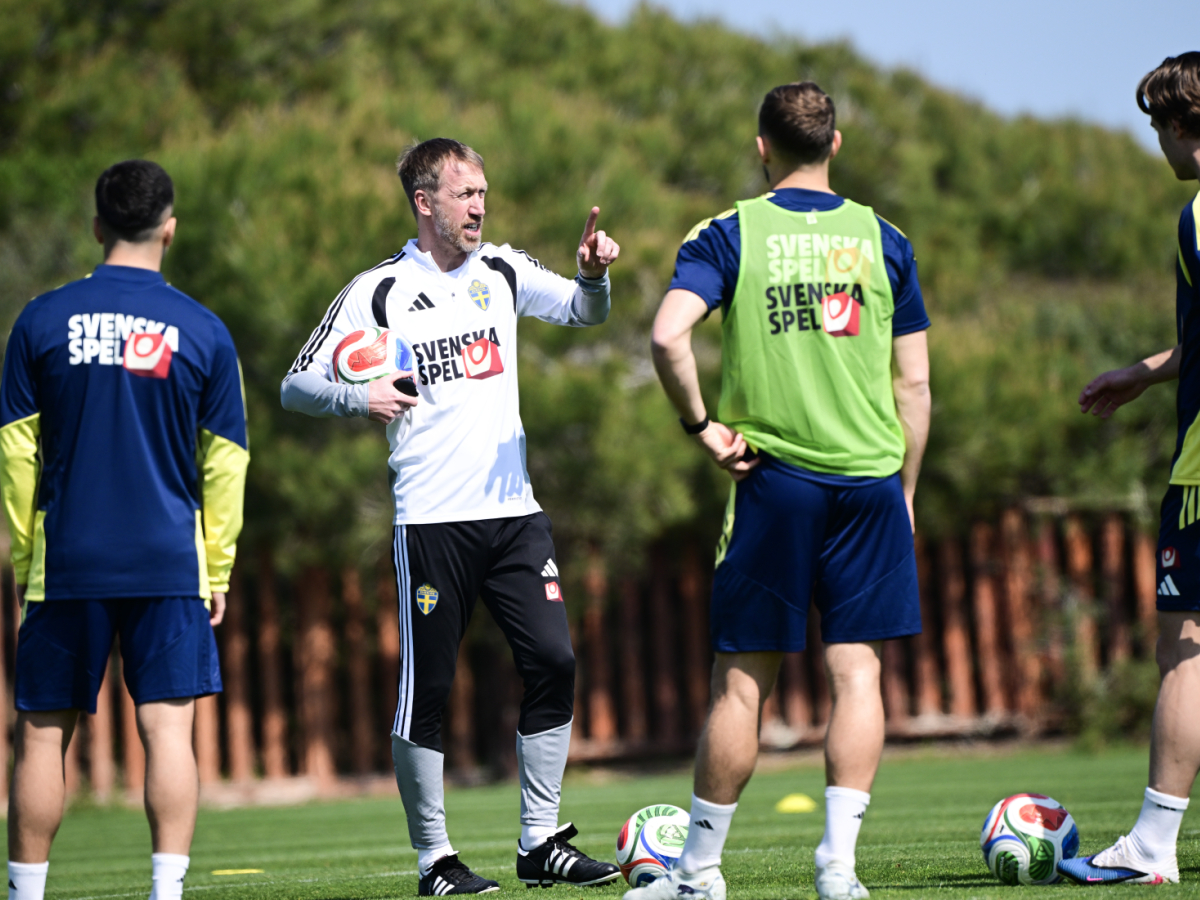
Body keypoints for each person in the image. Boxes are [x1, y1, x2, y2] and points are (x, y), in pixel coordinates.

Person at [281, 138, 622, 895]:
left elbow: (582, 312)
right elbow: (294, 384)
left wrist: (594, 276)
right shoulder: (379, 291)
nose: (480, 207)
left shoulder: (500, 270)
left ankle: (541, 842)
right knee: (427, 689)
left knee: (555, 661)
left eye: (484, 193)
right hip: (432, 522)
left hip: (515, 517)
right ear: (424, 202)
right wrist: (355, 395)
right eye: (466, 195)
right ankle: (435, 860)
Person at [627, 82, 931, 900]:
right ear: (834, 146)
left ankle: (698, 875)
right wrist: (904, 490)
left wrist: (700, 428)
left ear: (762, 147)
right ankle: (838, 870)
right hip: (869, 482)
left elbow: (665, 335)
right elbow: (914, 387)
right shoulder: (885, 238)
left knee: (741, 684)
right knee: (857, 676)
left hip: (775, 483)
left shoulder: (730, 232)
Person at [0, 160, 249, 900]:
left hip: (69, 557)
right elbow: (227, 464)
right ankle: (165, 894)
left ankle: (25, 894)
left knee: (43, 733)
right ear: (169, 229)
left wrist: (24, 555)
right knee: (167, 733)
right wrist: (219, 566)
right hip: (170, 560)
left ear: (98, 227)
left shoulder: (40, 321)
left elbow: (14, 451)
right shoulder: (205, 330)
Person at [1059, 52, 1200, 887]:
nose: (1157, 143)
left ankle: (1152, 843)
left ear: (1184, 125)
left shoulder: (1198, 215)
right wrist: (1143, 374)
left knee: (1184, 647)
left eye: (1158, 127)